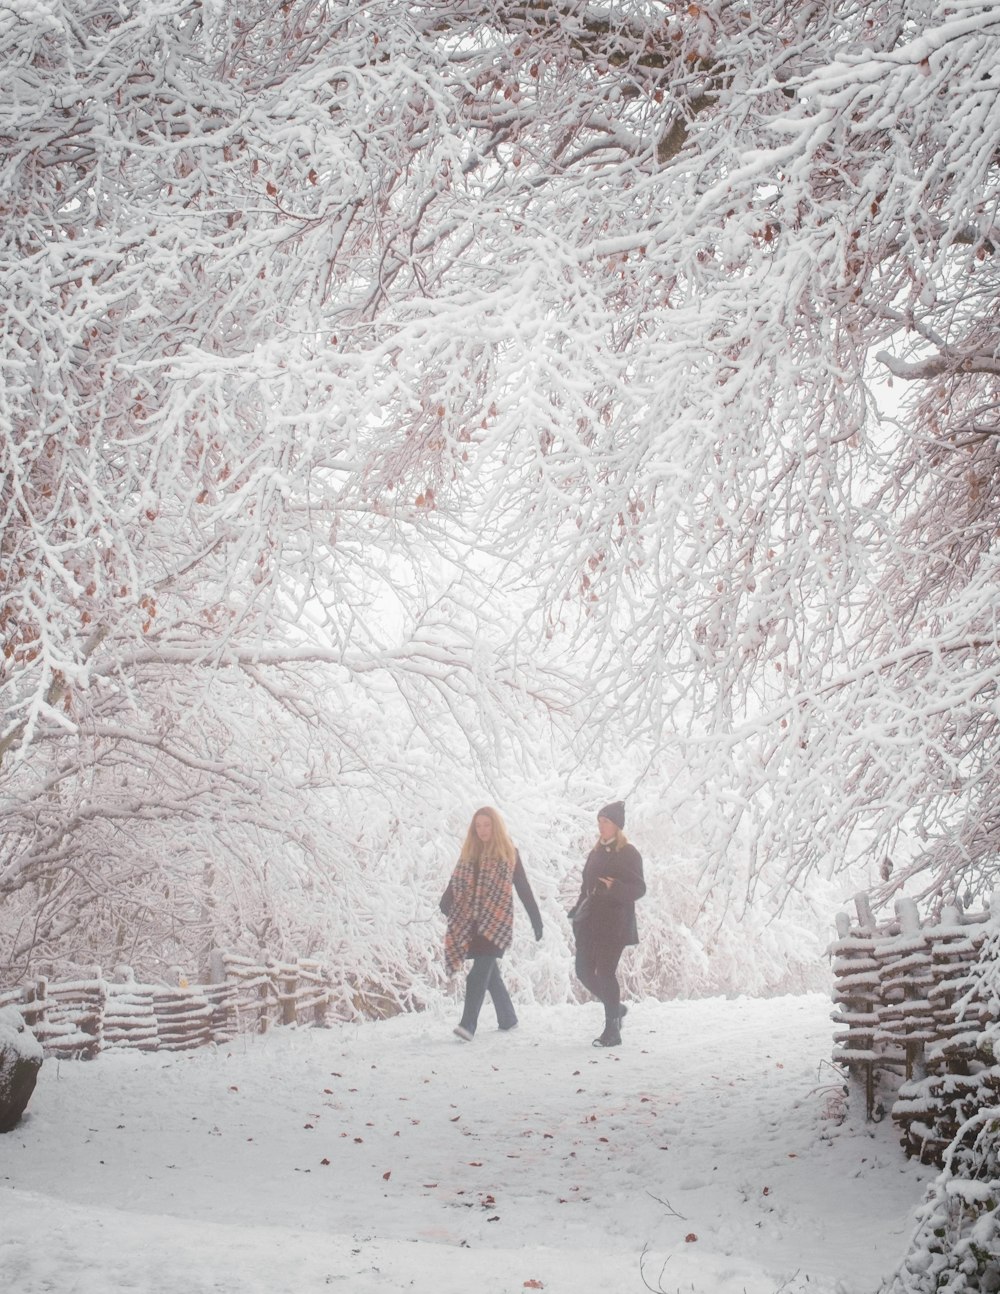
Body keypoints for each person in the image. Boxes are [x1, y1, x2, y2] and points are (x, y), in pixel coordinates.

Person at [440, 806, 543, 1041]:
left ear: (495, 827)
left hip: (496, 924)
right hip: (472, 925)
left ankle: (467, 1026)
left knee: (477, 975)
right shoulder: (469, 854)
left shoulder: (509, 853)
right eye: (478, 826)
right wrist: (446, 902)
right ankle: (508, 1018)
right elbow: (455, 882)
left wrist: (536, 920)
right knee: (490, 975)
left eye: (487, 825)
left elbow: (524, 888)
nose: (483, 830)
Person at [569, 800, 645, 1048]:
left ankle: (612, 1031)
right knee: (582, 971)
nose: (601, 826)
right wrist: (577, 909)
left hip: (615, 925)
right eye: (599, 821)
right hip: (590, 923)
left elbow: (639, 888)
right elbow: (586, 887)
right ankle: (616, 1008)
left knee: (605, 972)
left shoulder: (629, 853)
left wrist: (615, 887)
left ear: (617, 826)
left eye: (606, 822)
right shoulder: (595, 852)